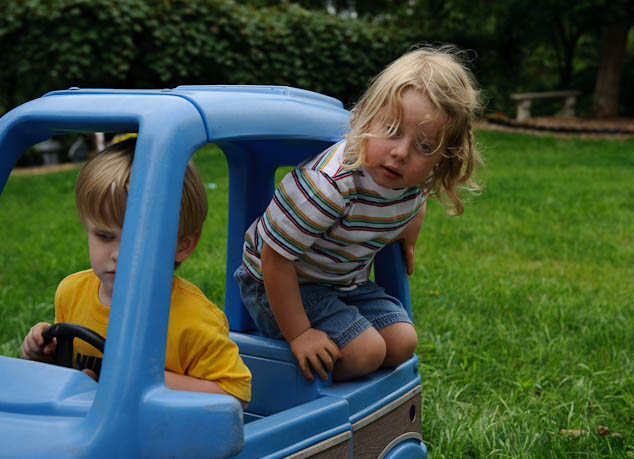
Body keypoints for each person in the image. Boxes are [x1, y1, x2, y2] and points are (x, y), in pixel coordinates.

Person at [234, 45, 482, 382]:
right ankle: (292, 380)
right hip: (275, 284)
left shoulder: (413, 183)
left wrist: (408, 239)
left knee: (402, 342)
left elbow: (416, 205)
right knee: (366, 352)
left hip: (340, 282)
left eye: (424, 146)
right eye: (392, 130)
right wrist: (300, 334)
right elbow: (273, 258)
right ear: (366, 115)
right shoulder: (330, 186)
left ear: (442, 158)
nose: (401, 152)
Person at [21, 138, 251, 406]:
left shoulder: (195, 319)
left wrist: (144, 381)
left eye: (138, 240)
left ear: (182, 245)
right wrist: (41, 356)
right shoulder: (71, 293)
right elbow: (65, 376)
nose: (118, 254)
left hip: (160, 441)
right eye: (105, 236)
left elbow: (237, 395)